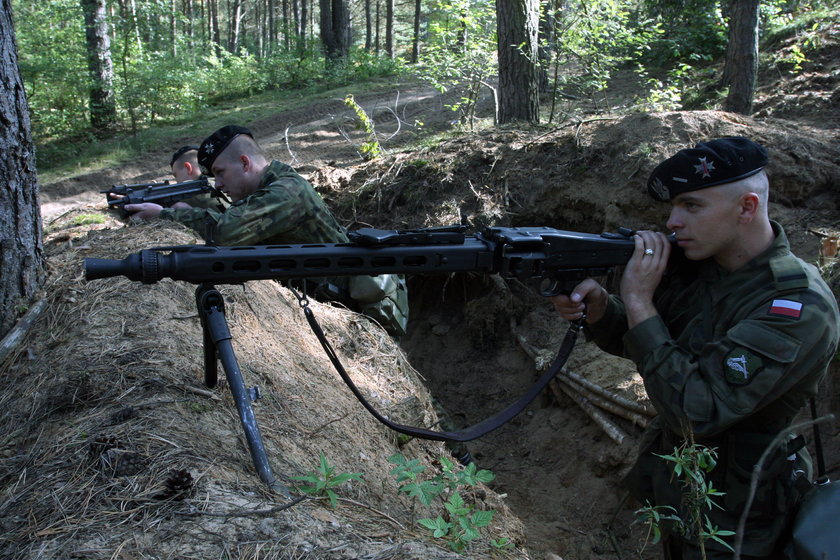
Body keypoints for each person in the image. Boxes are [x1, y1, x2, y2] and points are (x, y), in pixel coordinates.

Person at [551, 137, 839, 559]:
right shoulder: (705, 271)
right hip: (680, 492)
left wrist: (638, 301)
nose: (673, 222)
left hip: (741, 521)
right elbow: (661, 352)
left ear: (746, 208)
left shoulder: (796, 306)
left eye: (692, 206)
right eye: (674, 207)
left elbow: (695, 409)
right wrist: (603, 311)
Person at [126, 125, 408, 336]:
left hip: (349, 311)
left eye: (221, 172)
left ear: (245, 163)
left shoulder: (285, 192)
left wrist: (164, 215)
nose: (218, 185)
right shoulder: (273, 185)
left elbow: (226, 232)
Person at [168, 145, 228, 211]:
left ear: (188, 168)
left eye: (176, 175)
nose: (177, 182)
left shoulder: (194, 197)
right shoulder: (226, 181)